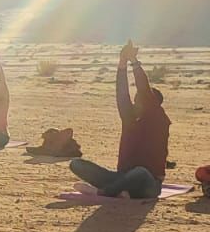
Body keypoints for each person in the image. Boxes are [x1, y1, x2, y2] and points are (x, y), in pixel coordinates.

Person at [69, 41, 169, 199]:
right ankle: (121, 191)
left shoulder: (158, 119)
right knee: (76, 164)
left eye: (141, 100)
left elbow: (144, 89)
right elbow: (122, 93)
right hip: (122, 178)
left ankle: (104, 192)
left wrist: (135, 63)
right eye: (136, 101)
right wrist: (122, 62)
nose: (137, 103)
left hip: (149, 184)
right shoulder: (129, 118)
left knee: (140, 172)